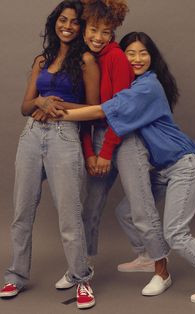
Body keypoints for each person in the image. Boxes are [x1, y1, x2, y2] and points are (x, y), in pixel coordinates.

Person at [54, 31, 195, 304]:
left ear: (152, 57)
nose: (137, 59)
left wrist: (55, 111)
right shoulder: (136, 84)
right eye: (131, 53)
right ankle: (146, 256)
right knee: (125, 212)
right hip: (161, 170)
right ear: (122, 56)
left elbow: (100, 111)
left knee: (175, 233)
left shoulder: (147, 87)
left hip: (182, 166)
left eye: (144, 53)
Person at [55, 0, 171, 291]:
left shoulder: (118, 57)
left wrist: (105, 152)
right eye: (93, 29)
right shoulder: (82, 59)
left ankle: (162, 271)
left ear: (114, 32)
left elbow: (121, 113)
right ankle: (80, 268)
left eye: (106, 32)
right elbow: (86, 111)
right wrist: (90, 152)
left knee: (141, 206)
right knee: (89, 208)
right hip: (97, 138)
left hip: (125, 136)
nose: (99, 37)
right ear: (84, 29)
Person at [0, 0, 100, 309]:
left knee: (69, 216)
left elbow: (95, 112)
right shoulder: (41, 60)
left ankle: (82, 278)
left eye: (74, 22)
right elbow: (24, 107)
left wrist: (58, 106)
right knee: (22, 212)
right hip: (32, 135)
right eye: (63, 20)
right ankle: (15, 275)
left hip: (64, 137)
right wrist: (40, 102)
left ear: (81, 27)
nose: (67, 26)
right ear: (54, 22)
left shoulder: (85, 60)